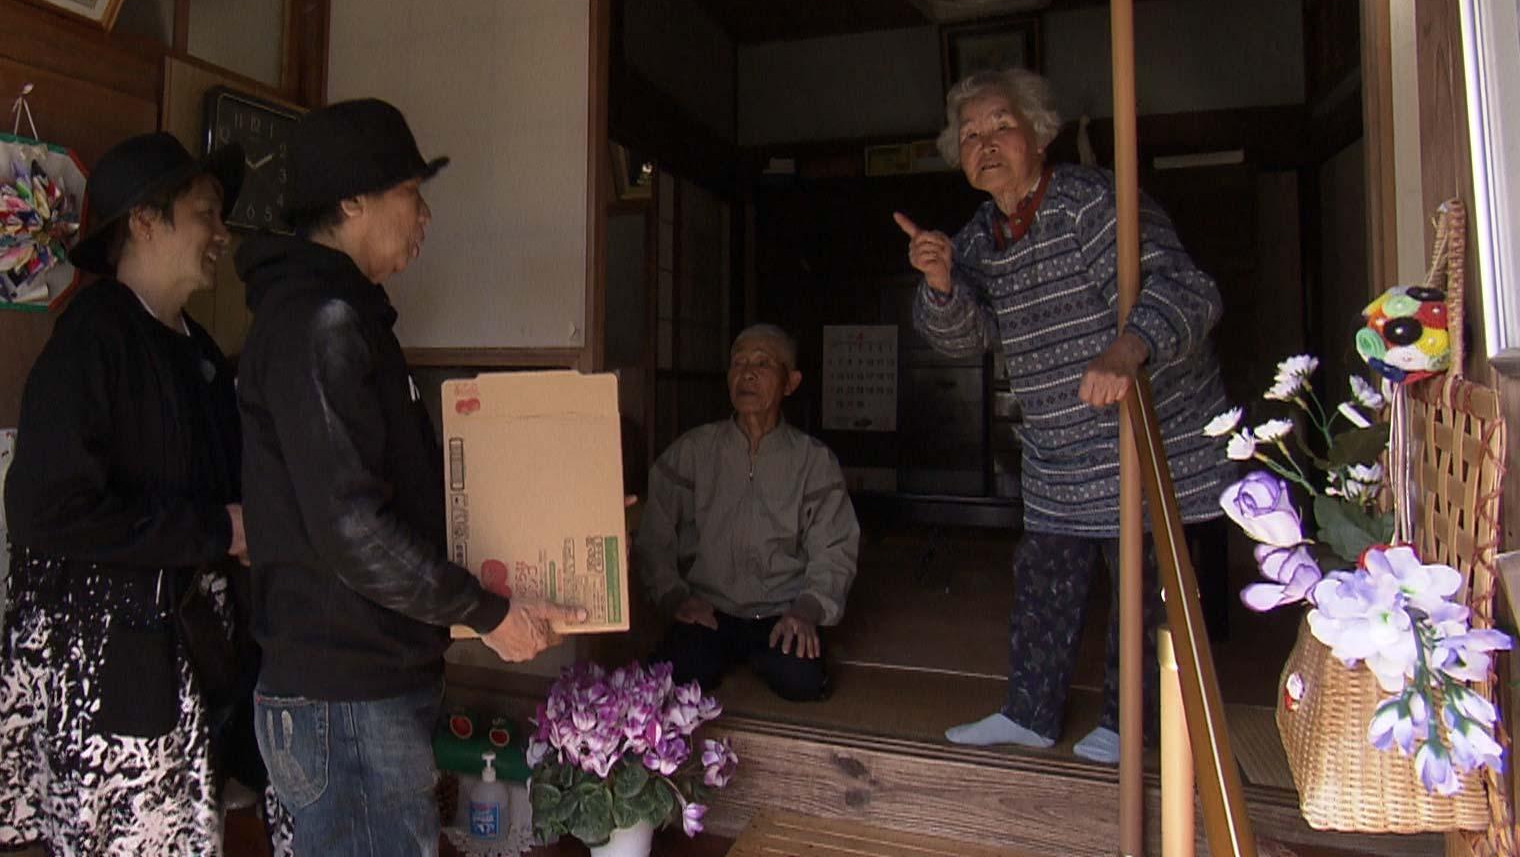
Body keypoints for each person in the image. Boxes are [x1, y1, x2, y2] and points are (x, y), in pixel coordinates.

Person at [234, 98, 583, 857]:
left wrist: (567, 509)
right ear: (353, 201)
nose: (425, 216)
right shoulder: (317, 322)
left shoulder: (341, 316)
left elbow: (412, 496)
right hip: (347, 694)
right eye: (411, 193)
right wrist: (485, 611)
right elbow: (353, 529)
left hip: (360, 686)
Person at [894, 69, 1233, 765]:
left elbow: (1191, 290)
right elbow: (966, 338)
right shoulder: (979, 236)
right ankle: (1030, 713)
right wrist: (939, 283)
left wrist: (1126, 347)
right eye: (969, 135)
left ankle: (1130, 724)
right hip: (1059, 445)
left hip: (1145, 431)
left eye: (1000, 126)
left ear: (1039, 134)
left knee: (1142, 585)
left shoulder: (1090, 203)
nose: (984, 143)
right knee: (1043, 576)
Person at [0, 132, 250, 855]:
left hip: (183, 668)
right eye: (207, 213)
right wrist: (215, 531)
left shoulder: (196, 346)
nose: (222, 235)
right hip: (103, 684)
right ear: (144, 220)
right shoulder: (91, 340)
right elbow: (46, 512)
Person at [635, 324, 859, 703]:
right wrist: (675, 597)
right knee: (676, 675)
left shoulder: (813, 461)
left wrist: (806, 610)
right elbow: (653, 531)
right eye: (739, 363)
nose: (747, 373)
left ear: (790, 383)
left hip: (781, 611)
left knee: (800, 680)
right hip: (707, 609)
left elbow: (835, 548)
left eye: (763, 363)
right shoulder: (694, 450)